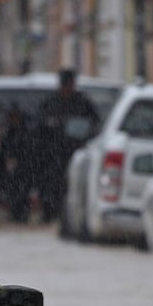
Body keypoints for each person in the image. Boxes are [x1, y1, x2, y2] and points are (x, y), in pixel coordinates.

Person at [36, 69, 100, 222]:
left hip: (75, 153)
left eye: (69, 84)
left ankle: (70, 216)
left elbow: (95, 124)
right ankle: (49, 214)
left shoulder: (83, 103)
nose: (67, 88)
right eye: (64, 85)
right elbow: (38, 125)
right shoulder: (50, 102)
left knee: (73, 187)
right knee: (51, 186)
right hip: (52, 154)